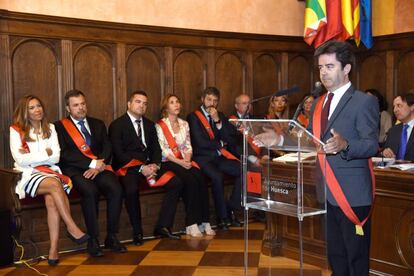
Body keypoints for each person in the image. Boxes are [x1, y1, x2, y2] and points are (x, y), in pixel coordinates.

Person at [311, 40, 379, 275]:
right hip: (326, 192)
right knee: (336, 257)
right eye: (320, 67)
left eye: (329, 66)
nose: (323, 73)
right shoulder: (318, 103)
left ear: (346, 68)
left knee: (355, 259)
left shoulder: (364, 101)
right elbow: (313, 141)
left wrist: (345, 145)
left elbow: (371, 145)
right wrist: (278, 141)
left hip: (352, 194)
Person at [10, 95, 89, 266]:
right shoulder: (16, 130)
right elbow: (21, 160)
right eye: (31, 107)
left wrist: (34, 156)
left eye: (39, 106)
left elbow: (56, 157)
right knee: (54, 185)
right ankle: (71, 227)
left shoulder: (51, 128)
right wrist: (44, 154)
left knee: (52, 200)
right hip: (28, 174)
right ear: (24, 111)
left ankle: (53, 250)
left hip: (51, 171)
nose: (37, 109)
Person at [54, 90, 126, 257]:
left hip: (99, 168)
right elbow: (64, 154)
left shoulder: (97, 123)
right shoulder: (58, 127)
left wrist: (99, 164)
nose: (81, 108)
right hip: (75, 170)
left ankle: (112, 236)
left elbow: (107, 147)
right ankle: (92, 239)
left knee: (116, 189)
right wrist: (90, 163)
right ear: (68, 108)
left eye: (83, 104)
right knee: (90, 191)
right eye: (76, 105)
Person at [108, 90, 183, 241]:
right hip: (128, 168)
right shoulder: (117, 125)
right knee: (131, 189)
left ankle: (163, 226)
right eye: (138, 102)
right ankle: (137, 231)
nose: (142, 105)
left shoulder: (150, 125)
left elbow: (156, 149)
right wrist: (141, 168)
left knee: (176, 182)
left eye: (145, 103)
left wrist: (155, 165)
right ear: (129, 104)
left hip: (150, 167)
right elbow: (118, 154)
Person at [155, 93, 215, 237]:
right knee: (190, 180)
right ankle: (191, 223)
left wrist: (187, 159)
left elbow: (188, 145)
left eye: (177, 102)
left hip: (185, 161)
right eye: (172, 102)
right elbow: (164, 151)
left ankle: (204, 221)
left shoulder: (184, 124)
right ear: (165, 107)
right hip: (169, 162)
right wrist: (181, 162)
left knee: (201, 178)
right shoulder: (160, 125)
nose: (176, 105)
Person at [187, 87, 242, 230]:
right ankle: (221, 217)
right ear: (203, 99)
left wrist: (217, 121)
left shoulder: (221, 116)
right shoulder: (193, 116)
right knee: (217, 177)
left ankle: (231, 208)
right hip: (203, 158)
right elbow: (200, 142)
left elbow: (230, 138)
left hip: (219, 157)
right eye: (209, 99)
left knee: (243, 170)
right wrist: (220, 144)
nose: (212, 103)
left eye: (215, 101)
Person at [382, 92, 414, 161]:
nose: (395, 110)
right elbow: (384, 151)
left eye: (399, 105)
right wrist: (385, 153)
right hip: (395, 171)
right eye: (394, 107)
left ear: (412, 107)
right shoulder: (393, 131)